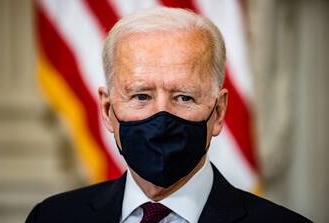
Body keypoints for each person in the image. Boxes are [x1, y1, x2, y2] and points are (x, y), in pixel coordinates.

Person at [26, 7, 311, 223]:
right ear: (108, 110)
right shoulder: (51, 217)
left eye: (184, 97)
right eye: (141, 96)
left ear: (219, 111)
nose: (162, 117)